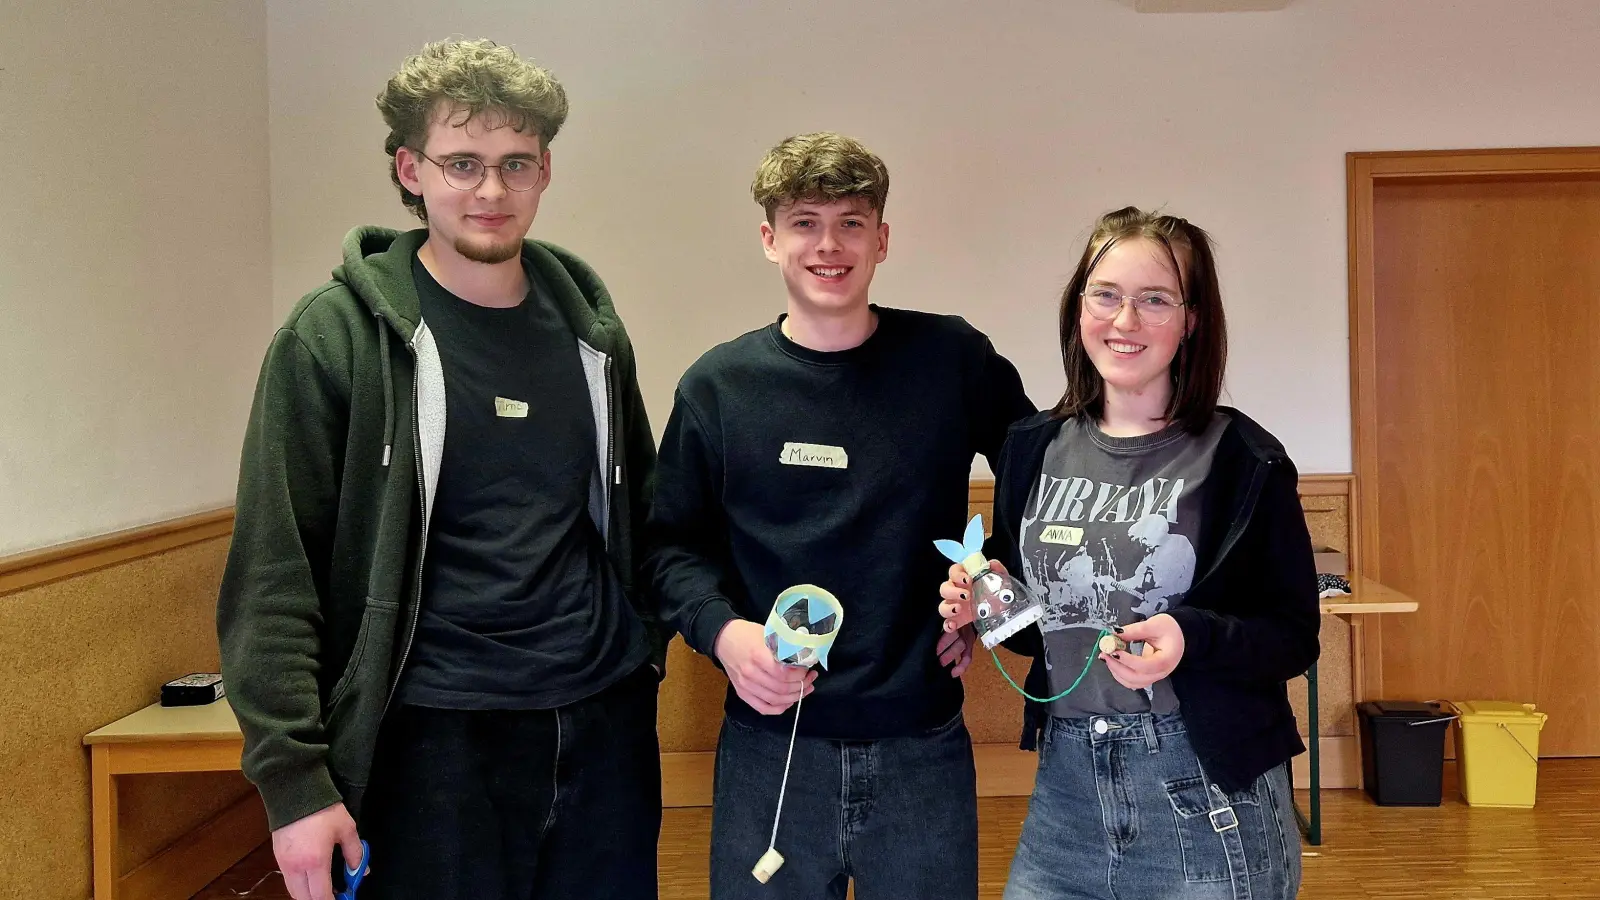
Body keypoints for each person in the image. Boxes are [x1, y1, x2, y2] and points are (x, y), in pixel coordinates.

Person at [217, 39, 666, 900]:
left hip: (601, 727)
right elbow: (275, 575)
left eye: (515, 164)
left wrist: (642, 649)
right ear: (410, 170)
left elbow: (642, 517)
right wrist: (294, 783)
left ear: (544, 172)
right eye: (462, 162)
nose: (491, 190)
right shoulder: (332, 340)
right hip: (429, 746)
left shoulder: (594, 342)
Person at [649, 132, 1035, 900]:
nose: (830, 245)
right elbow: (669, 549)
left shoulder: (950, 359)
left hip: (921, 747)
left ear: (882, 239)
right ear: (770, 238)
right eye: (804, 221)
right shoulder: (718, 388)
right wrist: (725, 636)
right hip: (770, 752)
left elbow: (1045, 473)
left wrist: (993, 597)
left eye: (852, 222)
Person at [939, 206, 1318, 899]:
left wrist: (1189, 636)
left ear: (1191, 319)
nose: (1125, 321)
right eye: (1105, 295)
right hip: (1066, 793)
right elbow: (1040, 636)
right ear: (1078, 305)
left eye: (1155, 300)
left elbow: (1294, 636)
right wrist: (984, 604)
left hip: (1206, 795)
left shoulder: (1243, 459)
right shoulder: (1032, 447)